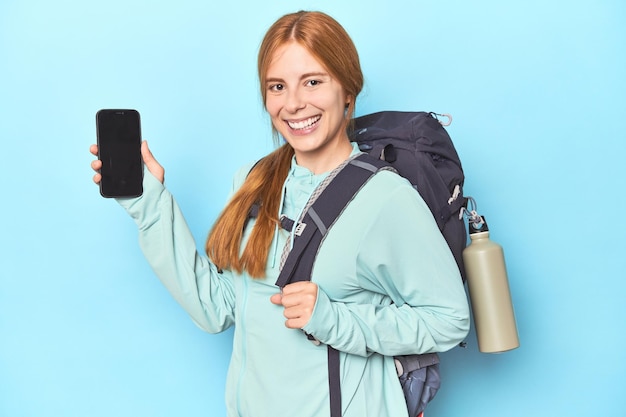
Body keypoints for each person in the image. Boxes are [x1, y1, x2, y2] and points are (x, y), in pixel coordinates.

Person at [90, 10, 469, 417]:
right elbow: (216, 307)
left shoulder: (385, 198)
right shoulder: (252, 181)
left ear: (347, 89)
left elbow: (449, 319)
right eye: (277, 86)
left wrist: (334, 319)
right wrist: (149, 205)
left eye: (313, 81)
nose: (293, 104)